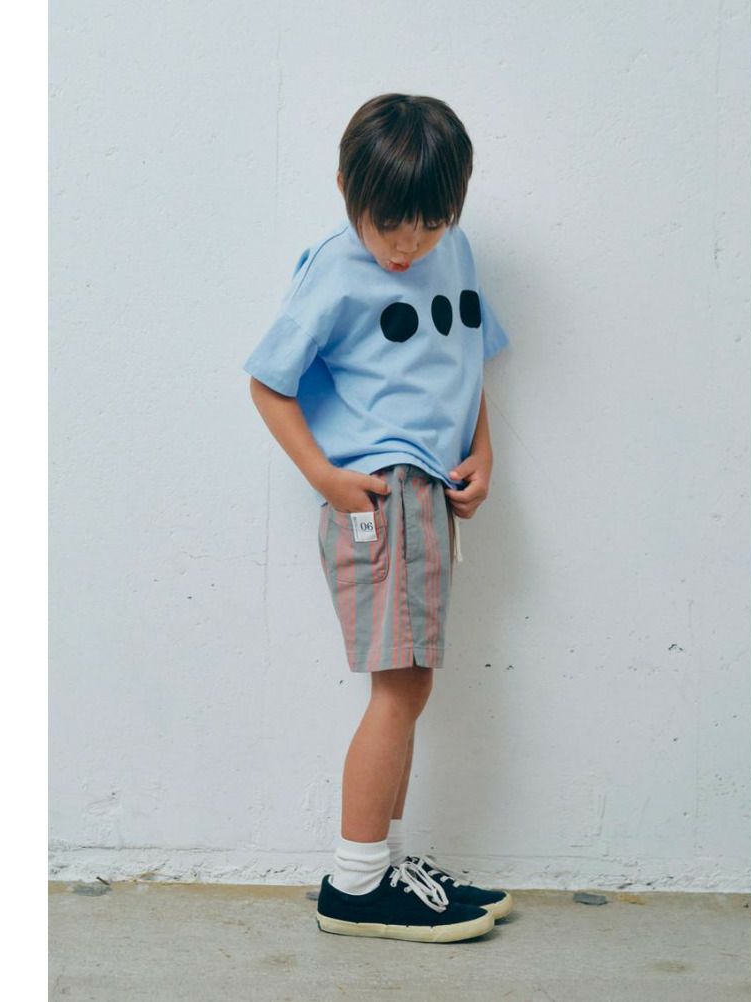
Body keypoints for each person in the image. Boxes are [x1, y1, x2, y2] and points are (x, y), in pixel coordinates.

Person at [243, 93, 513, 943]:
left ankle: (381, 866)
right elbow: (269, 382)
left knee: (411, 681)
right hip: (383, 495)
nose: (408, 245)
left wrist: (483, 449)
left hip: (431, 492)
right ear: (344, 189)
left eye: (430, 224)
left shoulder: (454, 250)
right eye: (389, 224)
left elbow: (466, 359)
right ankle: (356, 884)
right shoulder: (334, 268)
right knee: (399, 685)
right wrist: (326, 478)